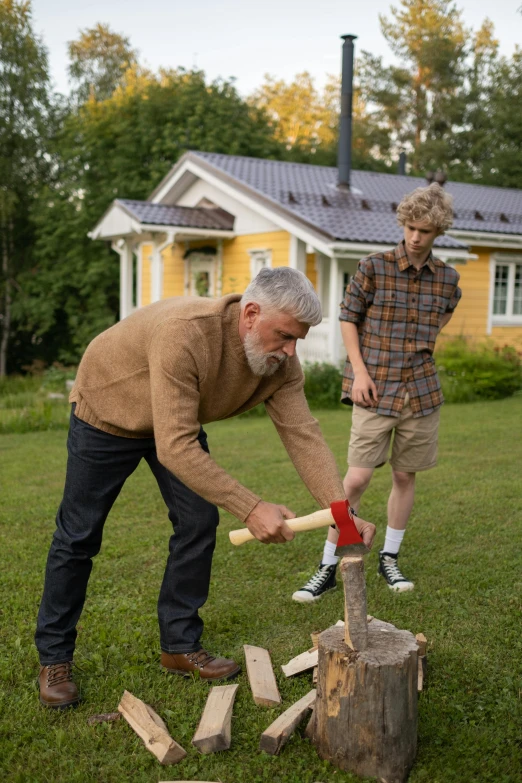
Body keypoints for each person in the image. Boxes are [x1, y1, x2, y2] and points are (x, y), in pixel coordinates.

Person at [35, 266, 375, 708]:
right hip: (108, 410)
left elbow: (303, 433)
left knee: (198, 519)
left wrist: (342, 515)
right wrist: (251, 508)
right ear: (251, 314)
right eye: (285, 336)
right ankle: (55, 658)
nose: (291, 351)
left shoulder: (280, 365)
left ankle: (178, 646)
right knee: (79, 534)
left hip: (174, 419)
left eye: (299, 340)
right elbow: (175, 448)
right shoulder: (186, 334)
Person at [292, 183, 461, 603]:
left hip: (420, 392)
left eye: (423, 229)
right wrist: (361, 373)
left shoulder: (447, 279)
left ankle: (389, 556)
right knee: (356, 479)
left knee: (405, 475)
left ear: (436, 231)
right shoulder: (373, 267)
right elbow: (348, 319)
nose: (415, 236)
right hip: (374, 389)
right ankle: (329, 564)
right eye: (409, 226)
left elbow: (440, 320)